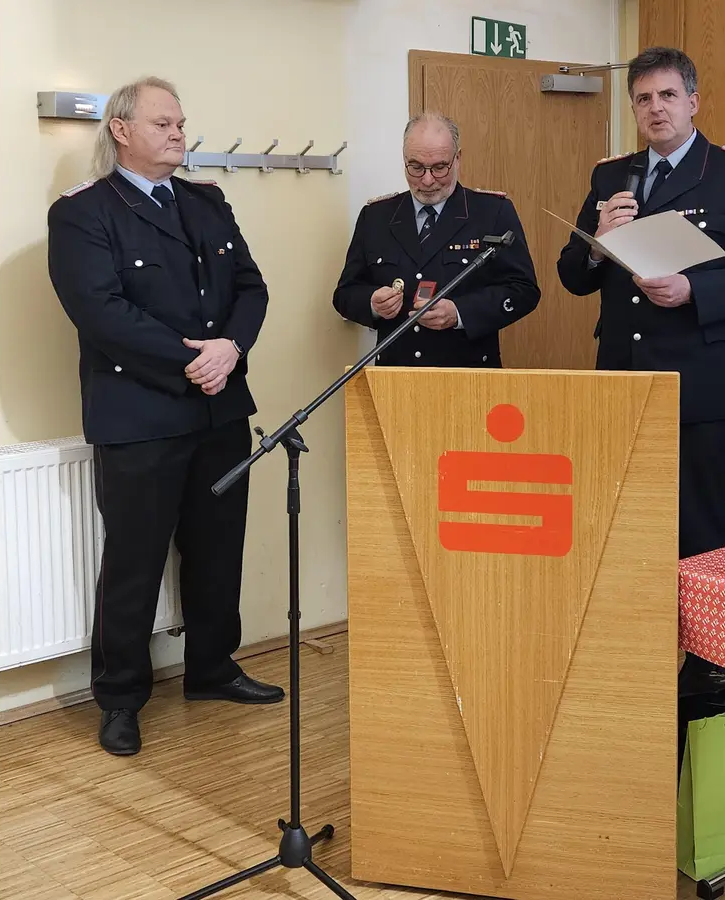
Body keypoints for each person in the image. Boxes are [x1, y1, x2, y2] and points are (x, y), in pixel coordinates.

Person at [47, 75, 284, 757]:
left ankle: (212, 668)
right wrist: (194, 358)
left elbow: (249, 286)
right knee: (135, 561)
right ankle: (121, 697)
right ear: (121, 130)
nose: (178, 133)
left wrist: (232, 348)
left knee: (217, 551)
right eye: (162, 124)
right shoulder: (85, 212)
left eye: (181, 123)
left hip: (218, 408)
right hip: (141, 412)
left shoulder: (207, 202)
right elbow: (101, 311)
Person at [556, 47, 725, 560]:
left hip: (704, 383)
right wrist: (598, 242)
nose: (655, 108)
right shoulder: (611, 177)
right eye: (643, 98)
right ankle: (639, 640)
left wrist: (696, 290)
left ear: (693, 102)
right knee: (629, 528)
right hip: (627, 378)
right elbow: (573, 277)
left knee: (705, 534)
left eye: (667, 95)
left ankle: (705, 644)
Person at [332, 112, 540, 367]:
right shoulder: (376, 217)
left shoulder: (492, 212)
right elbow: (345, 294)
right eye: (416, 167)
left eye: (440, 167)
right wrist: (372, 303)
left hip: (468, 374)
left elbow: (523, 291)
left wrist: (459, 313)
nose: (428, 180)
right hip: (396, 377)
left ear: (458, 159)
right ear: (404, 161)